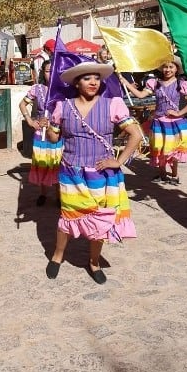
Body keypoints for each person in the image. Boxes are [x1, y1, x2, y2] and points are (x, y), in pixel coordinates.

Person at [45, 61, 142, 284]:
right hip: (71, 172)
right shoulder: (63, 106)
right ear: (77, 83)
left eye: (96, 78)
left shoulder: (113, 105)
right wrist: (50, 127)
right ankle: (58, 256)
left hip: (101, 175)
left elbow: (135, 135)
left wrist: (118, 161)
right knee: (68, 216)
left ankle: (94, 261)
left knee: (100, 219)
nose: (93, 82)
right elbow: (53, 138)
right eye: (87, 78)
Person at [119, 57, 187, 184]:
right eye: (165, 67)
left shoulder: (181, 84)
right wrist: (125, 82)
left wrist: (179, 113)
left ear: (176, 69)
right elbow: (140, 95)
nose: (168, 69)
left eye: (171, 67)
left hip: (174, 123)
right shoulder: (154, 83)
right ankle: (162, 174)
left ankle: (175, 175)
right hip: (159, 122)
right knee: (159, 148)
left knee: (173, 150)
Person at [19, 59, 63, 206]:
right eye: (47, 71)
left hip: (57, 134)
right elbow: (22, 104)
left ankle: (58, 196)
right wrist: (31, 121)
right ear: (43, 73)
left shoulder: (63, 89)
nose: (50, 74)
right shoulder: (37, 88)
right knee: (43, 164)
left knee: (57, 164)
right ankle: (43, 194)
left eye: (53, 70)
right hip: (40, 134)